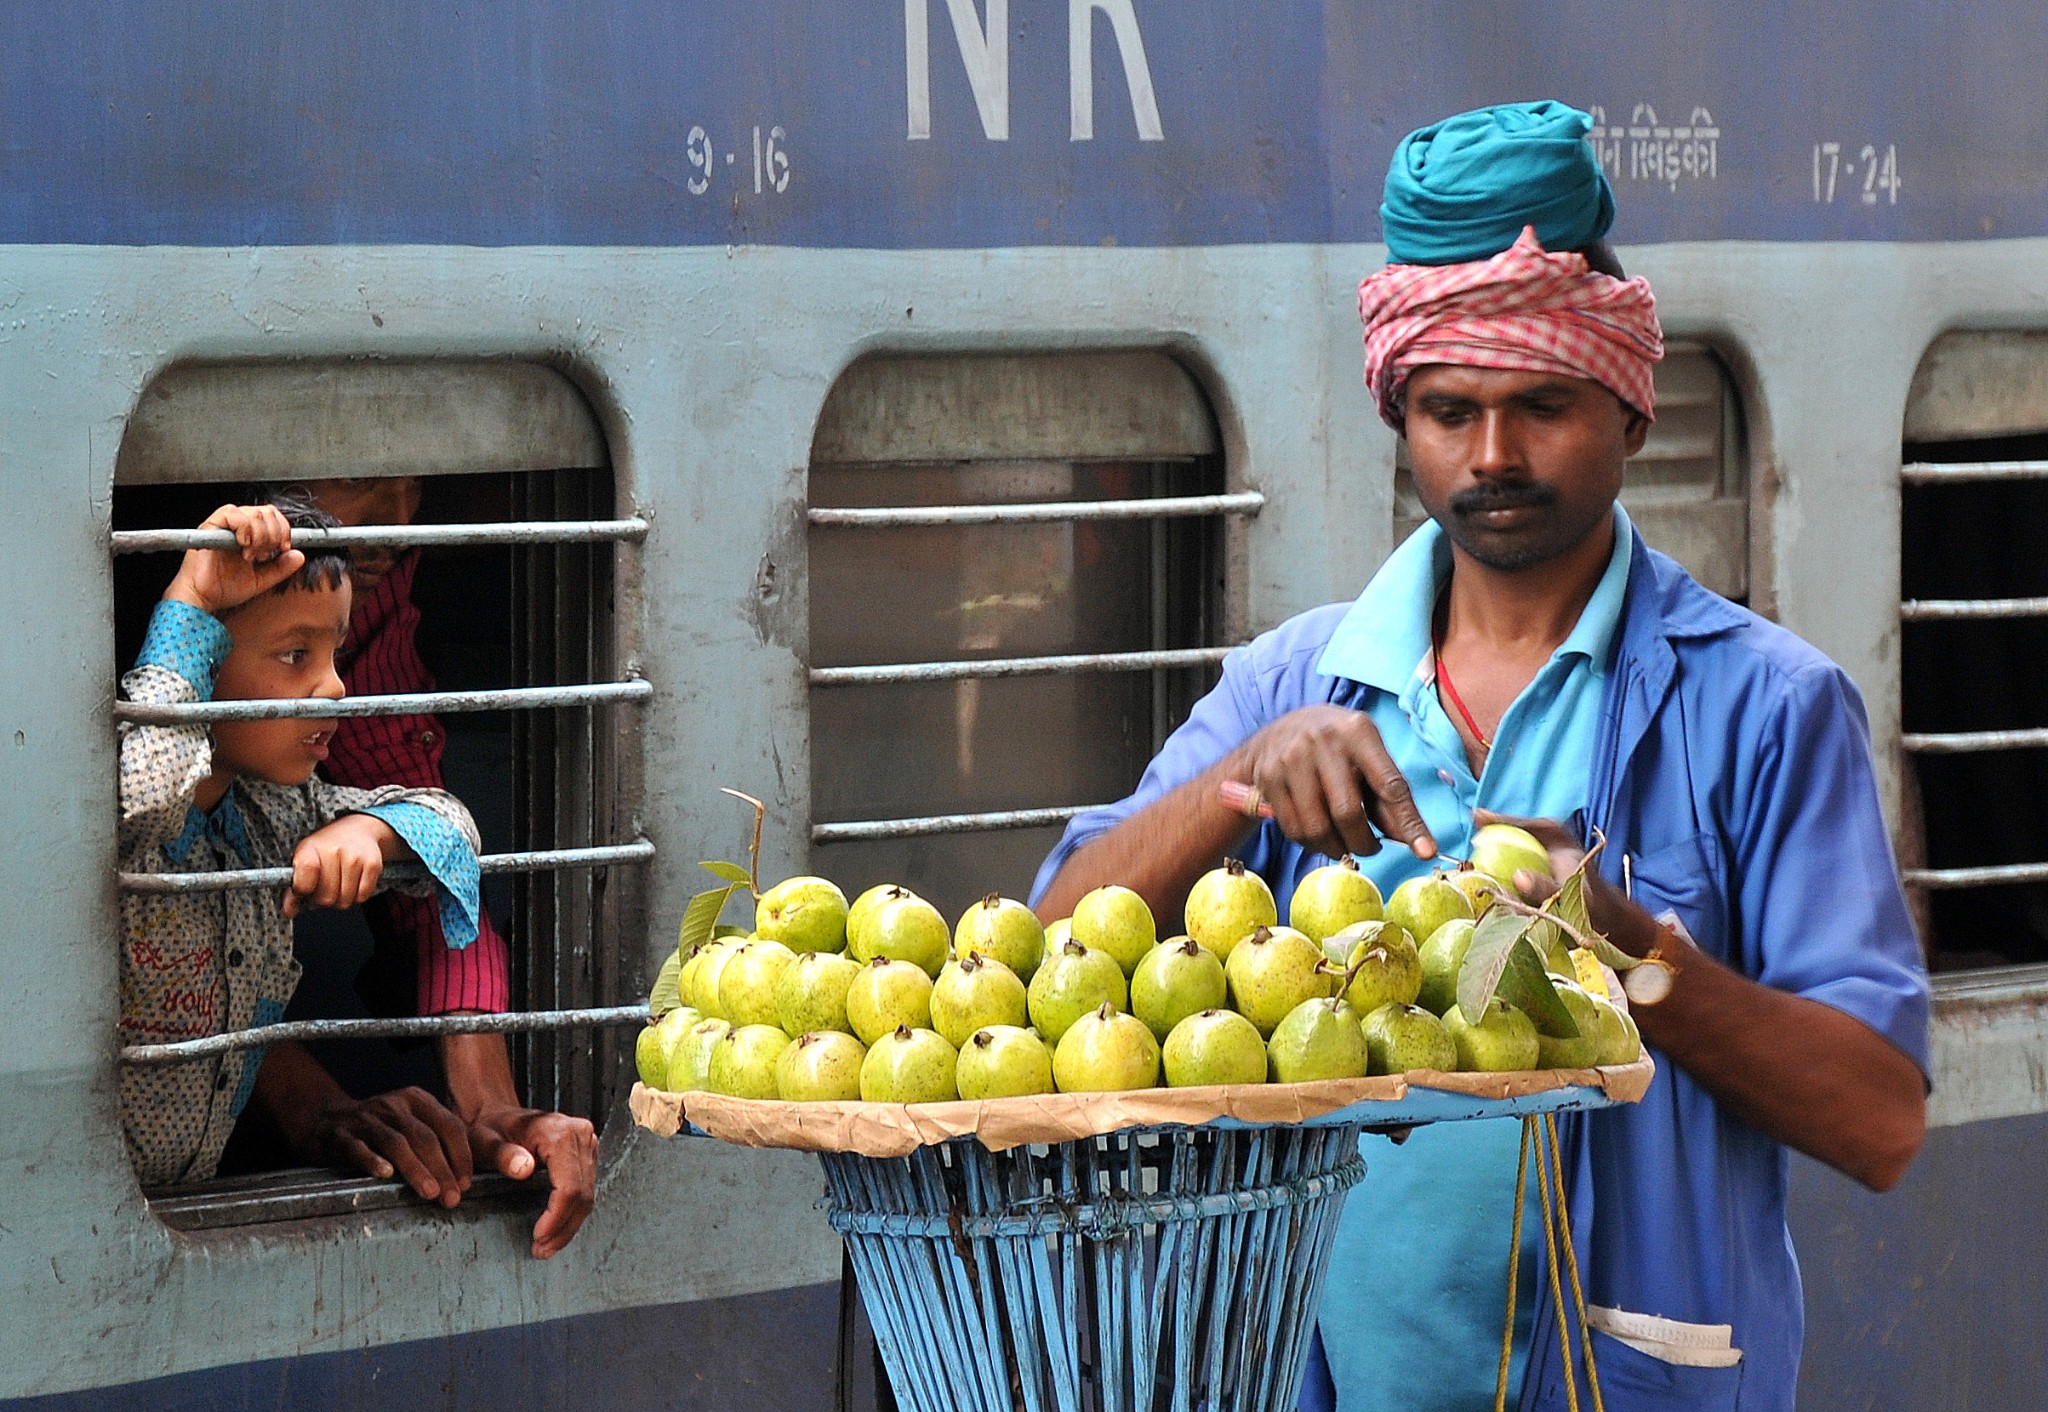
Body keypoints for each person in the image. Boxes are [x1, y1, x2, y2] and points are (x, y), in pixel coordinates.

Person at [1031, 102, 1929, 1412]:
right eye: (1450, 411)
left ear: (1632, 411)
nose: (1492, 455)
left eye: (1542, 407)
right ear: (1402, 417)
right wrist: (1238, 791)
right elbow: (1054, 940)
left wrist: (1628, 948)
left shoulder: (1766, 707)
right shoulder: (1296, 685)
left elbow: (1880, 1117)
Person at [119, 501, 492, 1207]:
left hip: (187, 1206)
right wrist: (192, 599)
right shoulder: (123, 813)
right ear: (197, 664)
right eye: (296, 657)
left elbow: (456, 828)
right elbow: (148, 788)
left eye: (335, 654)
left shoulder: (279, 811)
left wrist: (374, 832)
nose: (336, 686)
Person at [276, 475, 597, 1260]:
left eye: (414, 485)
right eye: (358, 483)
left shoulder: (372, 592)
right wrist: (307, 1105)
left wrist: (493, 1109)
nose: (397, 525)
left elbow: (431, 840)